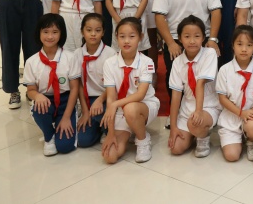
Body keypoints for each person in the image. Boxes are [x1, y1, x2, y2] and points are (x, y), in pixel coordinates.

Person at [153, 0, 222, 128]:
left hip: (202, 39)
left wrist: (212, 39)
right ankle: (175, 115)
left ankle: (205, 113)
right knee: (174, 77)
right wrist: (170, 43)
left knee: (205, 79)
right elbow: (159, 16)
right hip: (175, 39)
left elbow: (215, 11)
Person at [101, 17, 159, 164]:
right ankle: (133, 128)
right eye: (122, 36)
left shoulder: (146, 62)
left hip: (144, 105)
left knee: (131, 109)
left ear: (140, 37)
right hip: (121, 109)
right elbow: (111, 98)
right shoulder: (109, 63)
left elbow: (140, 95)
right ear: (116, 37)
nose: (126, 41)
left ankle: (143, 140)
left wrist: (115, 104)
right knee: (110, 156)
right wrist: (111, 133)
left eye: (132, 36)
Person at [24, 14, 80, 156]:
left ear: (61, 34)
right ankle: (49, 137)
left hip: (65, 101)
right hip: (45, 100)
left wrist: (66, 118)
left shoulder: (70, 57)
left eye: (55, 32)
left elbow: (74, 88)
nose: (50, 36)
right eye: (46, 32)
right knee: (39, 107)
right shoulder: (31, 61)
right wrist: (37, 96)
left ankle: (65, 121)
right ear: (39, 33)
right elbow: (31, 90)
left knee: (65, 147)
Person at [167, 16, 221, 158]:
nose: (192, 41)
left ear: (203, 38)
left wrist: (199, 111)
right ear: (179, 38)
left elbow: (200, 83)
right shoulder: (177, 62)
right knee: (176, 148)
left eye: (197, 36)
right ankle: (193, 133)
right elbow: (176, 96)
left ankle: (203, 136)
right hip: (187, 109)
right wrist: (173, 127)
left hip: (208, 106)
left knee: (196, 123)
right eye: (187, 36)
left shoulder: (209, 54)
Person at [217, 25, 253, 162]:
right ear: (233, 45)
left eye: (249, 45)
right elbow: (222, 98)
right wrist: (240, 113)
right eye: (239, 44)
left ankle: (251, 140)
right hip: (232, 115)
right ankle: (235, 138)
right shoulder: (224, 70)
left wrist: (251, 112)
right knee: (232, 156)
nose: (244, 49)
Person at [75, 13, 114, 148]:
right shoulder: (77, 54)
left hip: (107, 97)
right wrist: (85, 111)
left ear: (103, 32)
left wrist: (100, 100)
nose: (93, 34)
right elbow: (79, 85)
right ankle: (98, 126)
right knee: (83, 141)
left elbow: (114, 85)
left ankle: (106, 129)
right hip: (88, 100)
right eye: (89, 30)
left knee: (101, 111)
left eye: (97, 30)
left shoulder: (110, 53)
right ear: (82, 31)